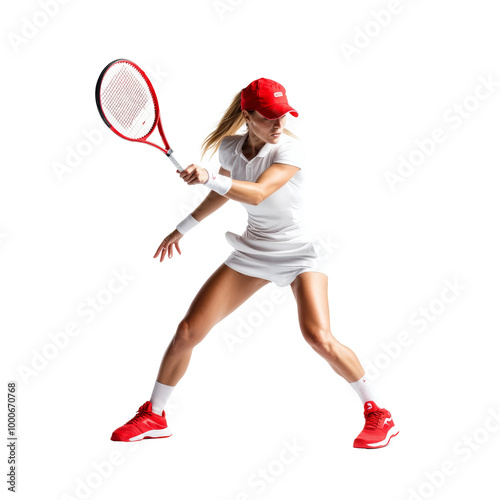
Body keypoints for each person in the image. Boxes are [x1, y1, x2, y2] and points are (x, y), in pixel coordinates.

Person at [110, 78, 399, 449]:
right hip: (252, 252)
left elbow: (259, 193)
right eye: (269, 117)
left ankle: (378, 413)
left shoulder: (290, 150)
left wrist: (209, 177)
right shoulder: (230, 149)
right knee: (187, 332)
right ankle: (155, 414)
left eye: (283, 115)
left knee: (318, 337)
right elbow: (224, 194)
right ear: (248, 116)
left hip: (299, 254)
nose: (279, 124)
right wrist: (182, 228)